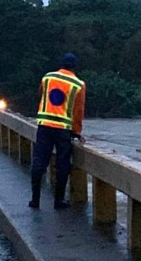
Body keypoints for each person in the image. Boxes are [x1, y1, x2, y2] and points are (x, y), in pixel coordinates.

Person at [29, 53, 86, 210]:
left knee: (39, 161)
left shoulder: (47, 78)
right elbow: (78, 110)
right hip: (63, 130)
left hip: (44, 125)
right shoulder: (78, 84)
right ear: (74, 67)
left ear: (60, 64)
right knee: (62, 164)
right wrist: (76, 131)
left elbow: (41, 96)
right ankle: (58, 201)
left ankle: (35, 199)